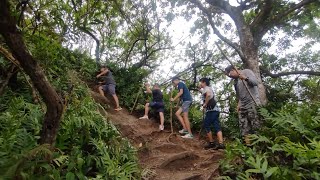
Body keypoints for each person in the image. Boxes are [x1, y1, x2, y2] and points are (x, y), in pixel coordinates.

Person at [224, 65, 261, 145]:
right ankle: (248, 146)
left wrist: (245, 78)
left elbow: (255, 82)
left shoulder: (247, 71)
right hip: (243, 106)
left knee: (255, 125)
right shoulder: (236, 82)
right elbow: (239, 95)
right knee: (244, 127)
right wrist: (239, 104)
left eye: (230, 74)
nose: (230, 77)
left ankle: (258, 146)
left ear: (234, 70)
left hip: (252, 102)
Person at [199, 78, 225, 150]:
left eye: (201, 82)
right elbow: (204, 93)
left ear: (204, 82)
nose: (200, 84)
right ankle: (221, 143)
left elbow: (208, 95)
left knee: (206, 125)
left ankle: (211, 143)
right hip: (214, 110)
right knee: (216, 125)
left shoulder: (207, 88)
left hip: (211, 111)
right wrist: (199, 88)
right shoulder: (207, 88)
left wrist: (205, 104)